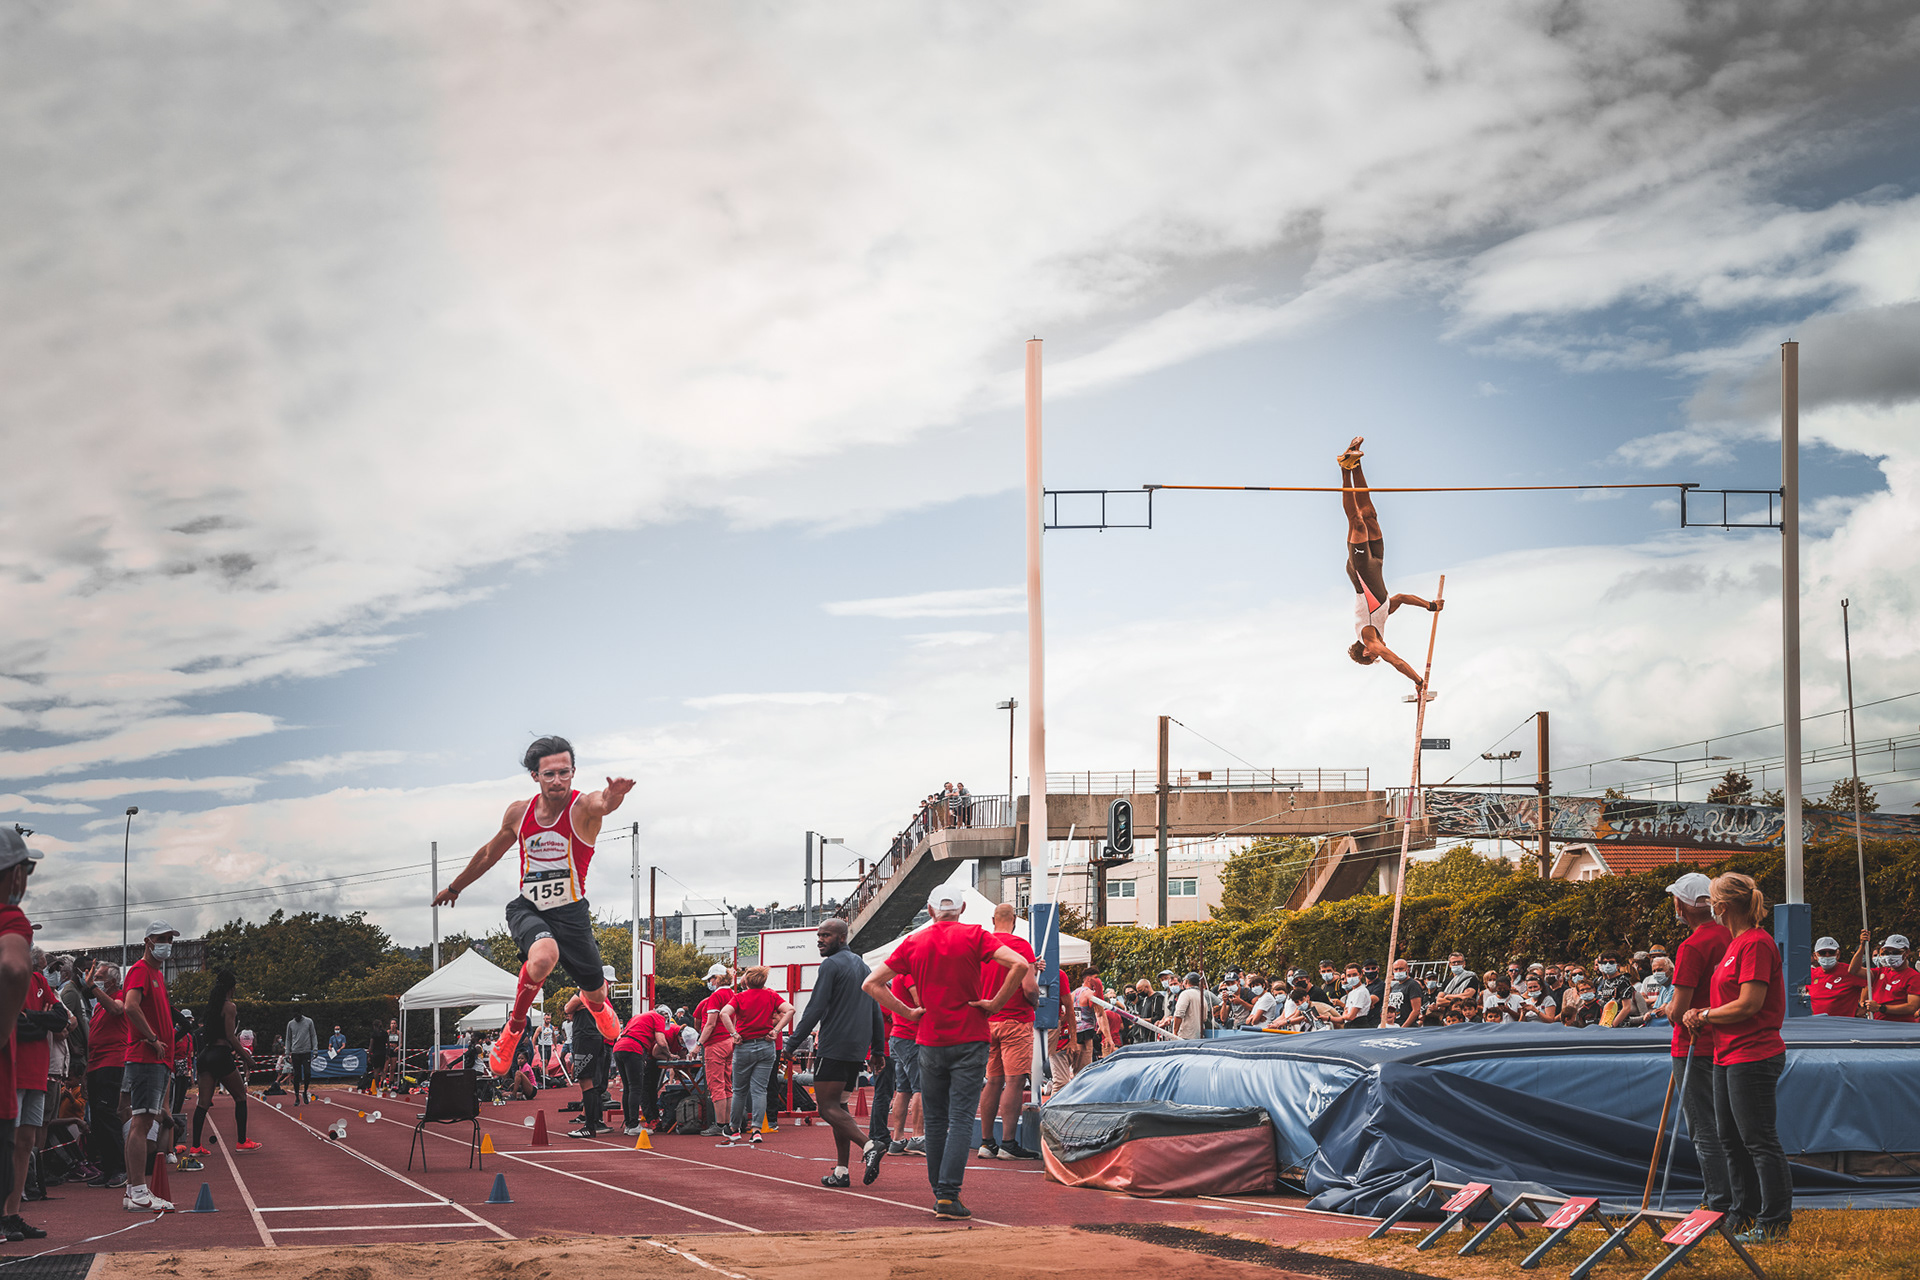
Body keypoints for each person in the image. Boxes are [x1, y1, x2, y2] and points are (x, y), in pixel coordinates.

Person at [431, 736, 634, 1078]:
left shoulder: (582, 807)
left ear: (573, 772)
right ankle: (514, 1028)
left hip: (571, 912)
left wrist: (615, 795)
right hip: (529, 907)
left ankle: (596, 1004)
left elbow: (603, 802)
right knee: (543, 958)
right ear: (535, 776)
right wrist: (456, 886)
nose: (557, 781)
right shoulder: (518, 812)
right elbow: (488, 853)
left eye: (564, 773)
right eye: (549, 774)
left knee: (596, 990)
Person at [861, 884, 1032, 1221]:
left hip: (928, 1039)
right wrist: (995, 1003)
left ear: (929, 910)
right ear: (963, 908)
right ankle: (949, 1195)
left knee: (936, 1121)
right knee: (959, 1119)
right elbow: (1020, 965)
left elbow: (871, 984)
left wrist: (907, 1013)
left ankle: (940, 1194)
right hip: (970, 1037)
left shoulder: (914, 942)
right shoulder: (975, 935)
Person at [1682, 872, 1789, 1245]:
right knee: (1730, 1138)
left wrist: (1704, 1014)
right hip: (1727, 1054)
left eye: (1712, 899)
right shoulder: (1734, 944)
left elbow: (1749, 1004)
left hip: (1754, 1053)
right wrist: (1707, 1015)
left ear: (1722, 906)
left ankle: (1773, 1222)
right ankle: (1741, 1215)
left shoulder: (1756, 944)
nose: (1709, 906)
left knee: (1759, 1140)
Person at [783, 919, 888, 1187]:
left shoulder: (830, 965)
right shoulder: (863, 966)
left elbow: (816, 1009)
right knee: (840, 1107)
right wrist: (876, 1048)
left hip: (834, 1046)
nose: (820, 940)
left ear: (842, 938)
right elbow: (876, 1008)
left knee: (827, 1108)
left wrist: (791, 1044)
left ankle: (869, 1145)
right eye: (819, 935)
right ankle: (841, 1171)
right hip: (856, 1051)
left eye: (826, 935)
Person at [1337, 437, 1443, 688]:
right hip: (1378, 562)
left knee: (1357, 522)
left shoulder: (1369, 638)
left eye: (1374, 657)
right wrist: (1429, 605)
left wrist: (1418, 680)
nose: (1377, 654)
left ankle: (1345, 469)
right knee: (1371, 516)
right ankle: (1356, 462)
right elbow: (1402, 598)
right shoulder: (1381, 619)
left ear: (1366, 652)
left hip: (1362, 570)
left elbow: (1394, 661)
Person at [1664, 871, 1733, 1224]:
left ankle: (1717, 1201)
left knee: (1704, 1129)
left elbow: (1678, 1010)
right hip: (1725, 1041)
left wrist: (1666, 1009)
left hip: (1693, 1044)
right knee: (1726, 1127)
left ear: (1683, 905)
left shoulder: (1692, 946)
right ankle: (1722, 1196)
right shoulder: (1732, 936)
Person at [7, 945, 66, 1238]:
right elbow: (15, 1025)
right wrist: (39, 1021)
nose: (47, 969)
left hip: (36, 1075)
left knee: (25, 1143)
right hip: (13, 1071)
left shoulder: (41, 982)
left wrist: (34, 1019)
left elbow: (60, 1020)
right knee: (8, 1144)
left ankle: (12, 1214)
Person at [121, 921, 179, 1213]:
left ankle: (134, 1191)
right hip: (146, 1057)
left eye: (169, 939)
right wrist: (152, 1038)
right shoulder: (140, 971)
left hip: (156, 1059)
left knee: (143, 1122)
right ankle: (139, 1191)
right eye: (162, 939)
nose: (167, 943)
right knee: (141, 1123)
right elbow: (130, 1006)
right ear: (148, 941)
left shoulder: (155, 974)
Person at [974, 903, 1040, 1161]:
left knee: (992, 1080)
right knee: (1014, 1081)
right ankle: (1009, 1143)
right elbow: (1030, 988)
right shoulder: (1020, 945)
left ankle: (986, 1141)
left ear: (993, 919)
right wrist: (1036, 1002)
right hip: (1015, 1019)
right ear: (1015, 920)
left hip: (987, 1021)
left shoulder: (982, 944)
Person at [190, 969, 260, 1155]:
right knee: (240, 1097)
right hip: (221, 1055)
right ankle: (242, 1141)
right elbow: (230, 1036)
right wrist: (248, 1058)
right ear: (232, 987)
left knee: (203, 1103)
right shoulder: (230, 1006)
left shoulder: (212, 1005)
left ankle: (196, 1146)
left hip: (205, 1055)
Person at [719, 967, 792, 1143]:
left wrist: (733, 1034)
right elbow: (790, 1010)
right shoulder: (771, 995)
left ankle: (734, 1128)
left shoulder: (739, 997)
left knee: (739, 1090)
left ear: (746, 982)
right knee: (760, 1090)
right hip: (766, 1045)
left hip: (744, 1045)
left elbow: (723, 1013)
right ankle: (757, 1130)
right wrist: (776, 1030)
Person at [77, 962, 128, 1189]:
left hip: (112, 1063)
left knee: (107, 1115)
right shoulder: (99, 1005)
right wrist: (87, 1072)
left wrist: (93, 989)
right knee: (97, 1119)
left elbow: (118, 1009)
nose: (94, 979)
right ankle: (108, 1169)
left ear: (112, 981)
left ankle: (119, 1169)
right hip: (97, 1065)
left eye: (98, 977)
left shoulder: (120, 995)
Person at [612, 1003, 674, 1135]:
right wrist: (670, 1054)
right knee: (636, 1088)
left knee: (628, 1089)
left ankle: (629, 1123)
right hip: (634, 1048)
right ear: (665, 1016)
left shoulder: (638, 1017)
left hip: (619, 1047)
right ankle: (633, 1125)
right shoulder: (658, 1018)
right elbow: (661, 1041)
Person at [564, 978, 614, 1139]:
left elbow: (567, 1009)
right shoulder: (600, 996)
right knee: (590, 1082)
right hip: (596, 1037)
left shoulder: (586, 991)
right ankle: (591, 1124)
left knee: (586, 1082)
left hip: (585, 1037)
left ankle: (590, 1126)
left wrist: (577, 1005)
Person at [692, 964, 735, 1137]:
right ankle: (729, 1123)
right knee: (727, 1084)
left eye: (711, 979)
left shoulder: (716, 997)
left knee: (716, 1085)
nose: (710, 982)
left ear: (716, 978)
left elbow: (710, 1023)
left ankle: (720, 1124)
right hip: (729, 1041)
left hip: (715, 1043)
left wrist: (698, 1044)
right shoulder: (732, 994)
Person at [1857, 932, 1919, 1021]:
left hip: (1900, 1028)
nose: (1890, 955)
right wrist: (1862, 945)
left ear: (1907, 953)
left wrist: (1881, 1008)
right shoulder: (1880, 972)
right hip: (1877, 1024)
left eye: (1896, 952)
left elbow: (1912, 1007)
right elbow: (1854, 970)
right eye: (1886, 952)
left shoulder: (1914, 976)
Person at [1807, 936, 1865, 1017]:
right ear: (1815, 956)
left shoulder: (1850, 971)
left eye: (1831, 952)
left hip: (1843, 1025)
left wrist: (1863, 1005)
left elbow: (1871, 983)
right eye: (1822, 953)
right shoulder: (1811, 974)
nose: (1827, 955)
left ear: (1838, 954)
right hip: (1818, 1025)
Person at [283, 1007, 318, 1105]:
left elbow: (313, 1035)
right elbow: (288, 1039)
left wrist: (315, 1049)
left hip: (306, 1051)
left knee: (307, 1073)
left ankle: (305, 1092)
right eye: (294, 1016)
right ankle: (297, 1097)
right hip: (295, 1052)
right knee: (297, 1075)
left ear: (301, 1013)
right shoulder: (290, 1024)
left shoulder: (309, 1021)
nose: (296, 1018)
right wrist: (287, 1053)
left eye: (297, 1015)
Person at [1383, 960, 1424, 1029]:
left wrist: (1403, 1028)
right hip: (1394, 1025)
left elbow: (1416, 1010)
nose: (1398, 971)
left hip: (1407, 1027)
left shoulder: (1413, 985)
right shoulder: (1395, 986)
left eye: (1401, 969)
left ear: (1407, 969)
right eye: (1396, 969)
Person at [1170, 971, 1207, 1039]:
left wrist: (1175, 1032)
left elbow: (1179, 1014)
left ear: (1186, 981)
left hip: (1185, 1036)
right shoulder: (1202, 996)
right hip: (1198, 1036)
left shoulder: (1185, 994)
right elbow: (1204, 1018)